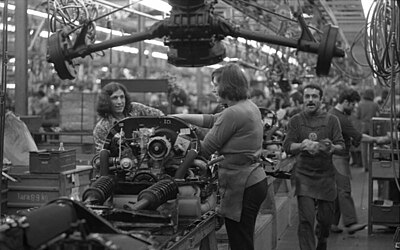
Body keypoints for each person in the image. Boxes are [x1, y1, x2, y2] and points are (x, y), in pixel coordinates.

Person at [173, 63, 268, 250]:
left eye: (216, 84)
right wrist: (178, 117)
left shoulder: (233, 113)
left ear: (228, 85)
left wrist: (178, 141)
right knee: (244, 240)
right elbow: (213, 119)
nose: (213, 88)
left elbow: (205, 150)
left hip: (243, 185)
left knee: (240, 243)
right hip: (254, 180)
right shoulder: (247, 106)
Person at [282, 84, 345, 250]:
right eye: (307, 96)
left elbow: (341, 146)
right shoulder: (295, 121)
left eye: (314, 96)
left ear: (321, 100)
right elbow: (287, 146)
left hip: (326, 176)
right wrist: (301, 145)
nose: (310, 100)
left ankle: (322, 239)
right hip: (304, 176)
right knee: (305, 220)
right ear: (303, 99)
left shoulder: (332, 120)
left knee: (325, 220)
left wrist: (332, 147)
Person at [328, 89, 390, 234]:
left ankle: (331, 223)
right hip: (338, 158)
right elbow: (358, 136)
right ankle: (350, 224)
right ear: (346, 102)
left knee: (337, 193)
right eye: (353, 105)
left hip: (337, 156)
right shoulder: (339, 118)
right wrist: (378, 140)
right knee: (344, 190)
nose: (354, 108)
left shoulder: (335, 113)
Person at [93, 82, 164, 153]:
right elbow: (102, 157)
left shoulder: (136, 108)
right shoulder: (101, 128)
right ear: (106, 101)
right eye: (115, 98)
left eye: (122, 97)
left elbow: (161, 117)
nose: (119, 102)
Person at [355, 88, 380, 172]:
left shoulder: (360, 104)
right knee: (372, 146)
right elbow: (379, 114)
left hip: (363, 126)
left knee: (363, 147)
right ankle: (371, 165)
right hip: (372, 126)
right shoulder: (375, 104)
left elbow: (357, 116)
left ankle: (365, 166)